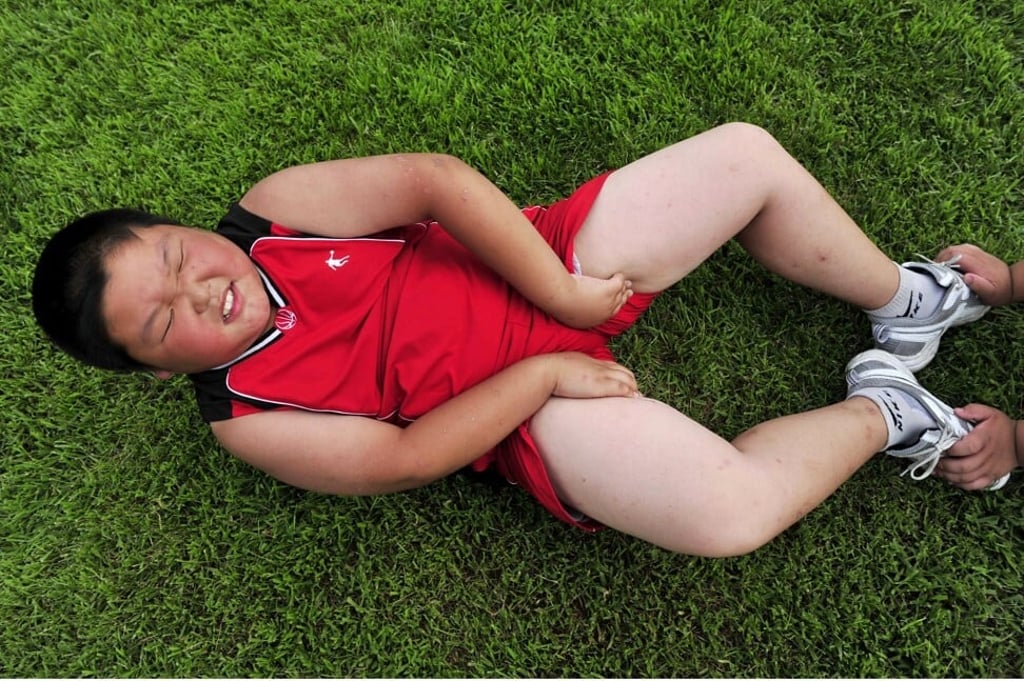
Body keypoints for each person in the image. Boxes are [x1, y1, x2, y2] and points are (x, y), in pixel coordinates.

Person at [30, 122, 1012, 557]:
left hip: (544, 262)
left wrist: (561, 293)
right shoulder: (247, 418)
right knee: (729, 516)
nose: (201, 289)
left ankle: (906, 299)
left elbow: (435, 180)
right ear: (151, 371)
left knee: (744, 157)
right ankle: (886, 410)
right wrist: (543, 373)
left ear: (180, 227)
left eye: (177, 256)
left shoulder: (276, 211)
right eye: (163, 320)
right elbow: (406, 459)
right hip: (522, 409)